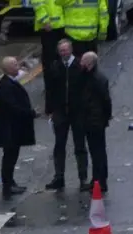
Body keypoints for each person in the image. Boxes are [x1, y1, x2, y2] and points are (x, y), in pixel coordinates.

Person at [44, 39, 87, 192]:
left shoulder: (80, 66)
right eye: (61, 51)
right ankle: (59, 177)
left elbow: (86, 88)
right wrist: (49, 109)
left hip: (77, 112)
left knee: (80, 146)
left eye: (66, 50)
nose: (64, 53)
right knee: (59, 145)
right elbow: (50, 89)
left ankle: (83, 178)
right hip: (60, 112)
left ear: (71, 50)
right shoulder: (55, 66)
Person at [0, 57, 39, 199]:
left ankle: (10, 182)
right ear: (7, 69)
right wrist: (30, 113)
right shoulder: (6, 86)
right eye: (14, 65)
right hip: (10, 130)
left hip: (12, 129)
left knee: (11, 156)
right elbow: (13, 107)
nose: (17, 66)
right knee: (9, 157)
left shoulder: (10, 82)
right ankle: (8, 185)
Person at [74, 51, 113, 193]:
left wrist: (105, 117)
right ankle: (97, 179)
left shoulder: (97, 79)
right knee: (96, 151)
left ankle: (100, 181)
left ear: (89, 64)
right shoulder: (87, 76)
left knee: (97, 152)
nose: (80, 63)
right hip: (91, 119)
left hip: (94, 120)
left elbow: (105, 100)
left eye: (83, 61)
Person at [34, 0, 65, 68]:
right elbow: (38, 4)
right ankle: (50, 74)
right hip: (48, 26)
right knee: (49, 56)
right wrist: (45, 21)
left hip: (61, 24)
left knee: (61, 55)